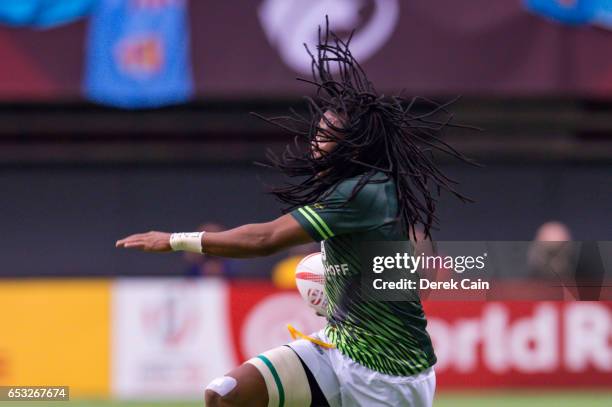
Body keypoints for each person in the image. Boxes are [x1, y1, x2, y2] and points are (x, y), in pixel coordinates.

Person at [116, 22, 473, 407]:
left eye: (323, 137)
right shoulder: (359, 188)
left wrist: (174, 240)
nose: (313, 145)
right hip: (339, 349)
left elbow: (264, 240)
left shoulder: (361, 194)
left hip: (389, 376)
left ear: (352, 148)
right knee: (225, 395)